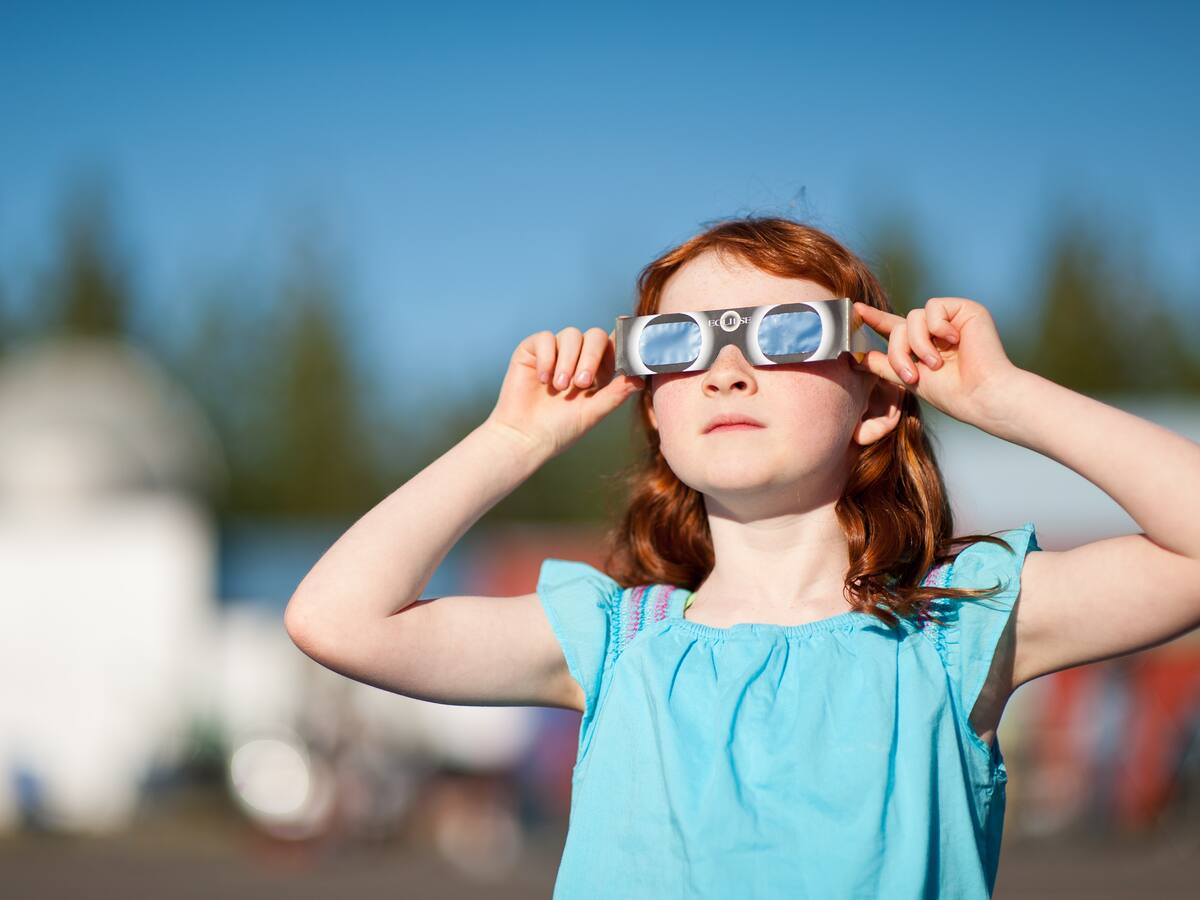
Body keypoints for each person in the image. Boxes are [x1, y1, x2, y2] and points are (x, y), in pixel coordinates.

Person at [284, 216, 1200, 898]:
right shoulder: (613, 641)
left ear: (877, 400)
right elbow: (335, 620)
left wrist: (1009, 398)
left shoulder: (954, 627)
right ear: (651, 406)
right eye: (681, 344)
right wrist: (512, 441)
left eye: (787, 334)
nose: (728, 370)